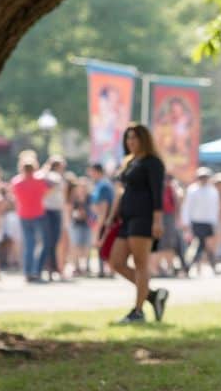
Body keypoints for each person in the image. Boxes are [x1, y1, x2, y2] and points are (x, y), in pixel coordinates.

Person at [108, 123, 170, 323]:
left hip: (144, 218)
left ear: (144, 139)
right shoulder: (129, 161)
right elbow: (121, 191)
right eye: (128, 138)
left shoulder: (153, 163)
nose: (130, 141)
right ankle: (152, 295)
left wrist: (157, 220)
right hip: (125, 219)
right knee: (116, 261)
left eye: (134, 137)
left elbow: (157, 193)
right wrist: (111, 216)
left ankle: (138, 311)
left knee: (140, 263)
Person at [11, 151, 51, 283]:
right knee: (39, 244)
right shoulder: (39, 181)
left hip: (23, 215)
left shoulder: (16, 182)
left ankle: (27, 271)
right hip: (38, 214)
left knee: (29, 244)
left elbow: (14, 197)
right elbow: (47, 192)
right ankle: (35, 270)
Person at [182, 167, 221, 276]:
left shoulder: (212, 191)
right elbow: (187, 207)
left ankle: (189, 267)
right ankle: (188, 267)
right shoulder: (192, 190)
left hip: (208, 222)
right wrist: (186, 222)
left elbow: (215, 208)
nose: (203, 179)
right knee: (199, 245)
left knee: (206, 246)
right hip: (196, 222)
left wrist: (215, 222)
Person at [41, 156, 67, 282]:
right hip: (50, 211)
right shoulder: (52, 176)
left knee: (53, 241)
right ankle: (51, 268)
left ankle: (53, 268)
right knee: (50, 241)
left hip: (55, 210)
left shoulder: (51, 176)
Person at [88, 163, 115, 277]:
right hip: (100, 220)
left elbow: (103, 208)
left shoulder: (104, 186)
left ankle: (105, 270)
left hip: (103, 221)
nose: (90, 174)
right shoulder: (100, 184)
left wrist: (99, 225)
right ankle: (103, 269)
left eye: (91, 171)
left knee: (102, 245)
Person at [68, 175, 93, 277]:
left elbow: (93, 211)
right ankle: (76, 266)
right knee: (75, 245)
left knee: (87, 246)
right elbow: (70, 211)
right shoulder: (73, 198)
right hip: (76, 224)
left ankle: (86, 266)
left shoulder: (91, 198)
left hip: (87, 224)